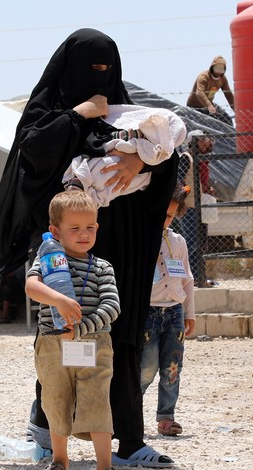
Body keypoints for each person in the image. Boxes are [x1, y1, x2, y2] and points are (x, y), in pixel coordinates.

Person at [0, 28, 178, 468]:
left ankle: (130, 441)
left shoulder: (129, 113)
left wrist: (141, 159)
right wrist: (77, 115)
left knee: (122, 334)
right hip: (69, 250)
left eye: (107, 69)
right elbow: (32, 153)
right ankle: (45, 432)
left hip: (124, 244)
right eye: (90, 68)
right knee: (63, 335)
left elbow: (169, 154)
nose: (101, 77)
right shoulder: (51, 110)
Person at [26, 190, 131, 470]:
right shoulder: (47, 260)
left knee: (97, 402)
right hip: (52, 345)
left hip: (93, 345)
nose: (84, 234)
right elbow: (31, 286)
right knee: (56, 400)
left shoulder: (102, 267)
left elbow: (112, 307)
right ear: (55, 231)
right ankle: (59, 463)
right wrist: (58, 299)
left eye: (90, 227)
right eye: (74, 229)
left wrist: (80, 329)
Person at [140, 185, 195, 438]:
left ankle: (166, 417)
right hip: (148, 314)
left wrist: (189, 313)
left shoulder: (178, 241)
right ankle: (131, 413)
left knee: (172, 368)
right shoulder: (139, 238)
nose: (165, 220)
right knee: (146, 368)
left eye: (171, 215)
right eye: (162, 213)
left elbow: (187, 280)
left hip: (174, 313)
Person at [63, 104, 186, 207]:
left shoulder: (151, 139)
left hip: (125, 213)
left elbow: (166, 162)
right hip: (78, 204)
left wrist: (140, 161)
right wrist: (79, 113)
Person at [174, 130, 215, 286]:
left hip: (199, 206)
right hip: (189, 206)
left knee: (200, 244)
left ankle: (199, 277)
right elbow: (179, 179)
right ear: (194, 142)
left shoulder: (200, 161)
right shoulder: (186, 158)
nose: (205, 143)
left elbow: (194, 181)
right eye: (201, 140)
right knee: (191, 243)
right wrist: (185, 195)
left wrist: (205, 189)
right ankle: (188, 277)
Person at [186, 55, 235, 126]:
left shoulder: (222, 79)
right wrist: (209, 105)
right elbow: (199, 93)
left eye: (221, 69)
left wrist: (235, 108)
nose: (218, 72)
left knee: (227, 120)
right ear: (212, 67)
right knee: (206, 126)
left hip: (210, 107)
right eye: (217, 68)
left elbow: (228, 94)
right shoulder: (204, 76)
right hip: (195, 107)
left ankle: (230, 136)